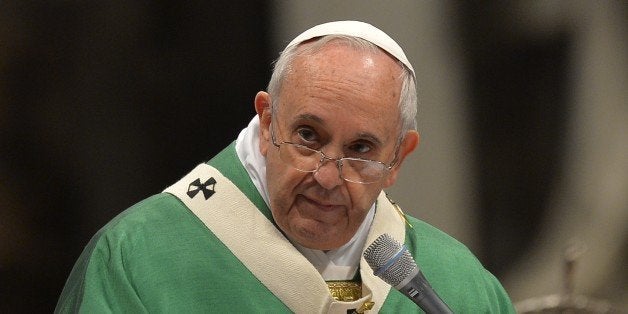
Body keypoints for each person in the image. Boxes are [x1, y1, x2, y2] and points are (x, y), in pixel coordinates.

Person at [56, 21, 515, 313]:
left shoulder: (458, 286)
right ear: (267, 120)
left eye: (360, 148)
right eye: (309, 137)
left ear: (398, 159)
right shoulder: (141, 260)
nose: (327, 176)